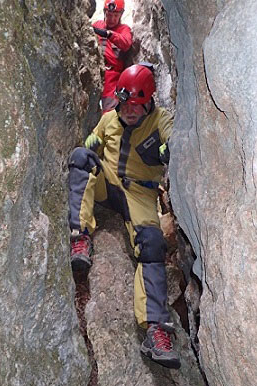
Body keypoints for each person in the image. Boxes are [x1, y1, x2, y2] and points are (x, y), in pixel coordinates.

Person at [68, 63, 180, 369]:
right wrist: (84, 152)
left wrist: (169, 149)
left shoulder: (160, 120)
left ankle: (156, 329)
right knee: (81, 158)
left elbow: (174, 139)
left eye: (136, 105)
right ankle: (80, 237)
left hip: (141, 195)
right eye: (124, 104)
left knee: (153, 244)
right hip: (110, 186)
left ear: (148, 101)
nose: (129, 111)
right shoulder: (109, 121)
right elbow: (91, 145)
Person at [92, 0, 133, 114]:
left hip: (112, 77)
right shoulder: (97, 25)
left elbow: (126, 43)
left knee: (109, 112)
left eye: (116, 15)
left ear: (121, 15)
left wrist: (109, 34)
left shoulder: (124, 30)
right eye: (109, 15)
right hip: (95, 70)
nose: (112, 19)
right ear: (104, 13)